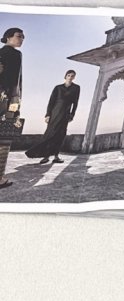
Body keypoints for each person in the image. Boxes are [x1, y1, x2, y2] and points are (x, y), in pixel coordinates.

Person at [25, 69, 79, 164]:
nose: (70, 77)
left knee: (60, 135)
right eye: (69, 75)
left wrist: (72, 114)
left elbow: (75, 103)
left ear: (74, 77)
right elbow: (51, 102)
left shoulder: (76, 88)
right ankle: (45, 156)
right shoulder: (58, 88)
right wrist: (48, 115)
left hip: (65, 115)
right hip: (54, 114)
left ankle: (56, 156)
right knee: (49, 135)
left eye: (72, 76)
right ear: (65, 76)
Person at [0, 26, 25, 190]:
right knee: (4, 138)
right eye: (19, 36)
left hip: (5, 98)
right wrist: (15, 102)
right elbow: (15, 82)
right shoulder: (15, 54)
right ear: (8, 37)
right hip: (7, 100)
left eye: (23, 37)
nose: (22, 39)